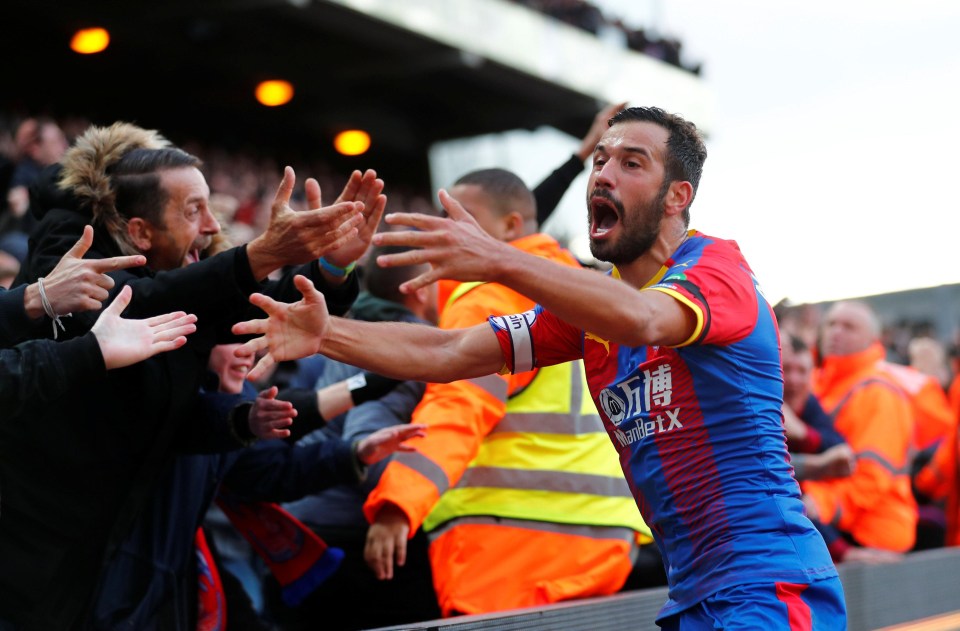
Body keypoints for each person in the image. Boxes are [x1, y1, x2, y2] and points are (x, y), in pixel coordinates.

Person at [235, 106, 847, 629]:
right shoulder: (586, 311)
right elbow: (448, 355)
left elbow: (643, 319)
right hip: (692, 593)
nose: (604, 174)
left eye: (632, 163)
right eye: (601, 160)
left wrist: (500, 260)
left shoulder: (716, 269)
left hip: (769, 584)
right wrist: (326, 334)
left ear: (676, 196)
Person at [0, 121, 382, 630]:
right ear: (137, 230)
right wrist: (262, 254)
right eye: (192, 209)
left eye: (210, 206)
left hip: (120, 555)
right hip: (33, 556)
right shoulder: (70, 246)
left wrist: (331, 269)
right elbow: (140, 305)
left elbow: (241, 308)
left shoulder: (186, 273)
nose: (210, 225)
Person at [362, 168, 651, 617]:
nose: (447, 227)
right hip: (607, 541)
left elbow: (458, 406)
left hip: (506, 545)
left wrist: (399, 502)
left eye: (462, 216)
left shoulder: (489, 294)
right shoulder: (593, 292)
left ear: (511, 227)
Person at [270, 243, 441, 630]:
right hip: (346, 543)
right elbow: (369, 436)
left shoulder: (359, 331)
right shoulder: (407, 344)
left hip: (304, 529)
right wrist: (400, 506)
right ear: (420, 289)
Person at [804, 300, 917, 561]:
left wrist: (819, 502)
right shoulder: (825, 383)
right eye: (831, 324)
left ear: (872, 339)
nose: (836, 332)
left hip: (872, 538)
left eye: (849, 327)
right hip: (844, 530)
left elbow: (871, 478)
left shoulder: (878, 392)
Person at [780, 332, 856, 481]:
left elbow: (840, 448)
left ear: (811, 376)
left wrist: (803, 433)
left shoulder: (811, 404)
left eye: (801, 371)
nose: (793, 379)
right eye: (786, 369)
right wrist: (819, 464)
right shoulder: (759, 406)